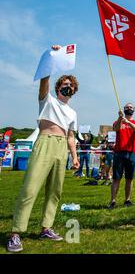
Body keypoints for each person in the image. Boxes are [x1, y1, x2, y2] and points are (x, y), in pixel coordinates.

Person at [7, 46, 80, 253]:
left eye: (71, 86)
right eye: (65, 85)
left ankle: (46, 227)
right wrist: (52, 57)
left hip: (61, 149)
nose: (69, 88)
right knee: (30, 189)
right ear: (58, 88)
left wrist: (74, 157)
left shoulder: (73, 113)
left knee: (54, 191)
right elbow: (44, 81)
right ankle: (15, 233)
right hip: (45, 142)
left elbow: (71, 136)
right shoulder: (47, 100)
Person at [108, 103, 135, 209]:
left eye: (131, 107)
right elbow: (116, 129)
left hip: (132, 153)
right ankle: (113, 201)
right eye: (127, 107)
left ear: (134, 110)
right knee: (116, 178)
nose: (129, 108)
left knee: (129, 178)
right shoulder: (118, 121)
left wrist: (128, 122)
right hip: (119, 153)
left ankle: (127, 200)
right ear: (124, 109)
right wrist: (120, 118)